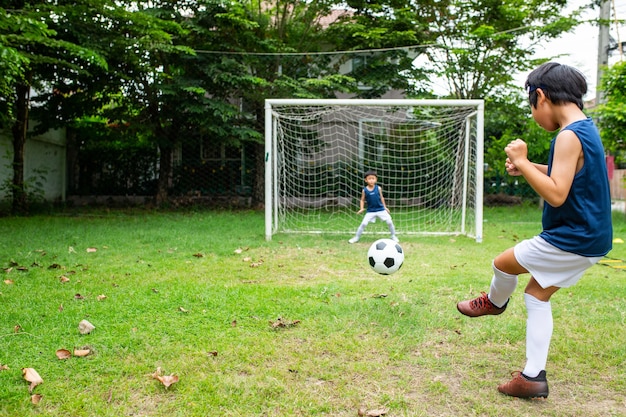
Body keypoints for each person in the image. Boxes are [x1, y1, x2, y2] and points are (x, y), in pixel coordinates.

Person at [456, 62, 612, 399]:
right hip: (593, 238)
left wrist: (525, 161)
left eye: (531, 106)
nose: (533, 115)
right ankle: (532, 378)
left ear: (540, 96)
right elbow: (568, 175)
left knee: (501, 264)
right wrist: (528, 169)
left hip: (572, 236)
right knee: (536, 295)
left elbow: (557, 192)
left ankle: (494, 303)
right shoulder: (585, 128)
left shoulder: (568, 136)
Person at [348, 170, 399, 243]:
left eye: (373, 178)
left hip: (380, 209)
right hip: (370, 211)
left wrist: (385, 207)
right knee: (363, 223)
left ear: (376, 179)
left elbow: (381, 198)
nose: (371, 180)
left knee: (389, 222)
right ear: (366, 180)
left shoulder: (378, 188)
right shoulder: (364, 190)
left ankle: (393, 236)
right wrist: (361, 208)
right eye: (369, 179)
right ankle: (356, 237)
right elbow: (362, 200)